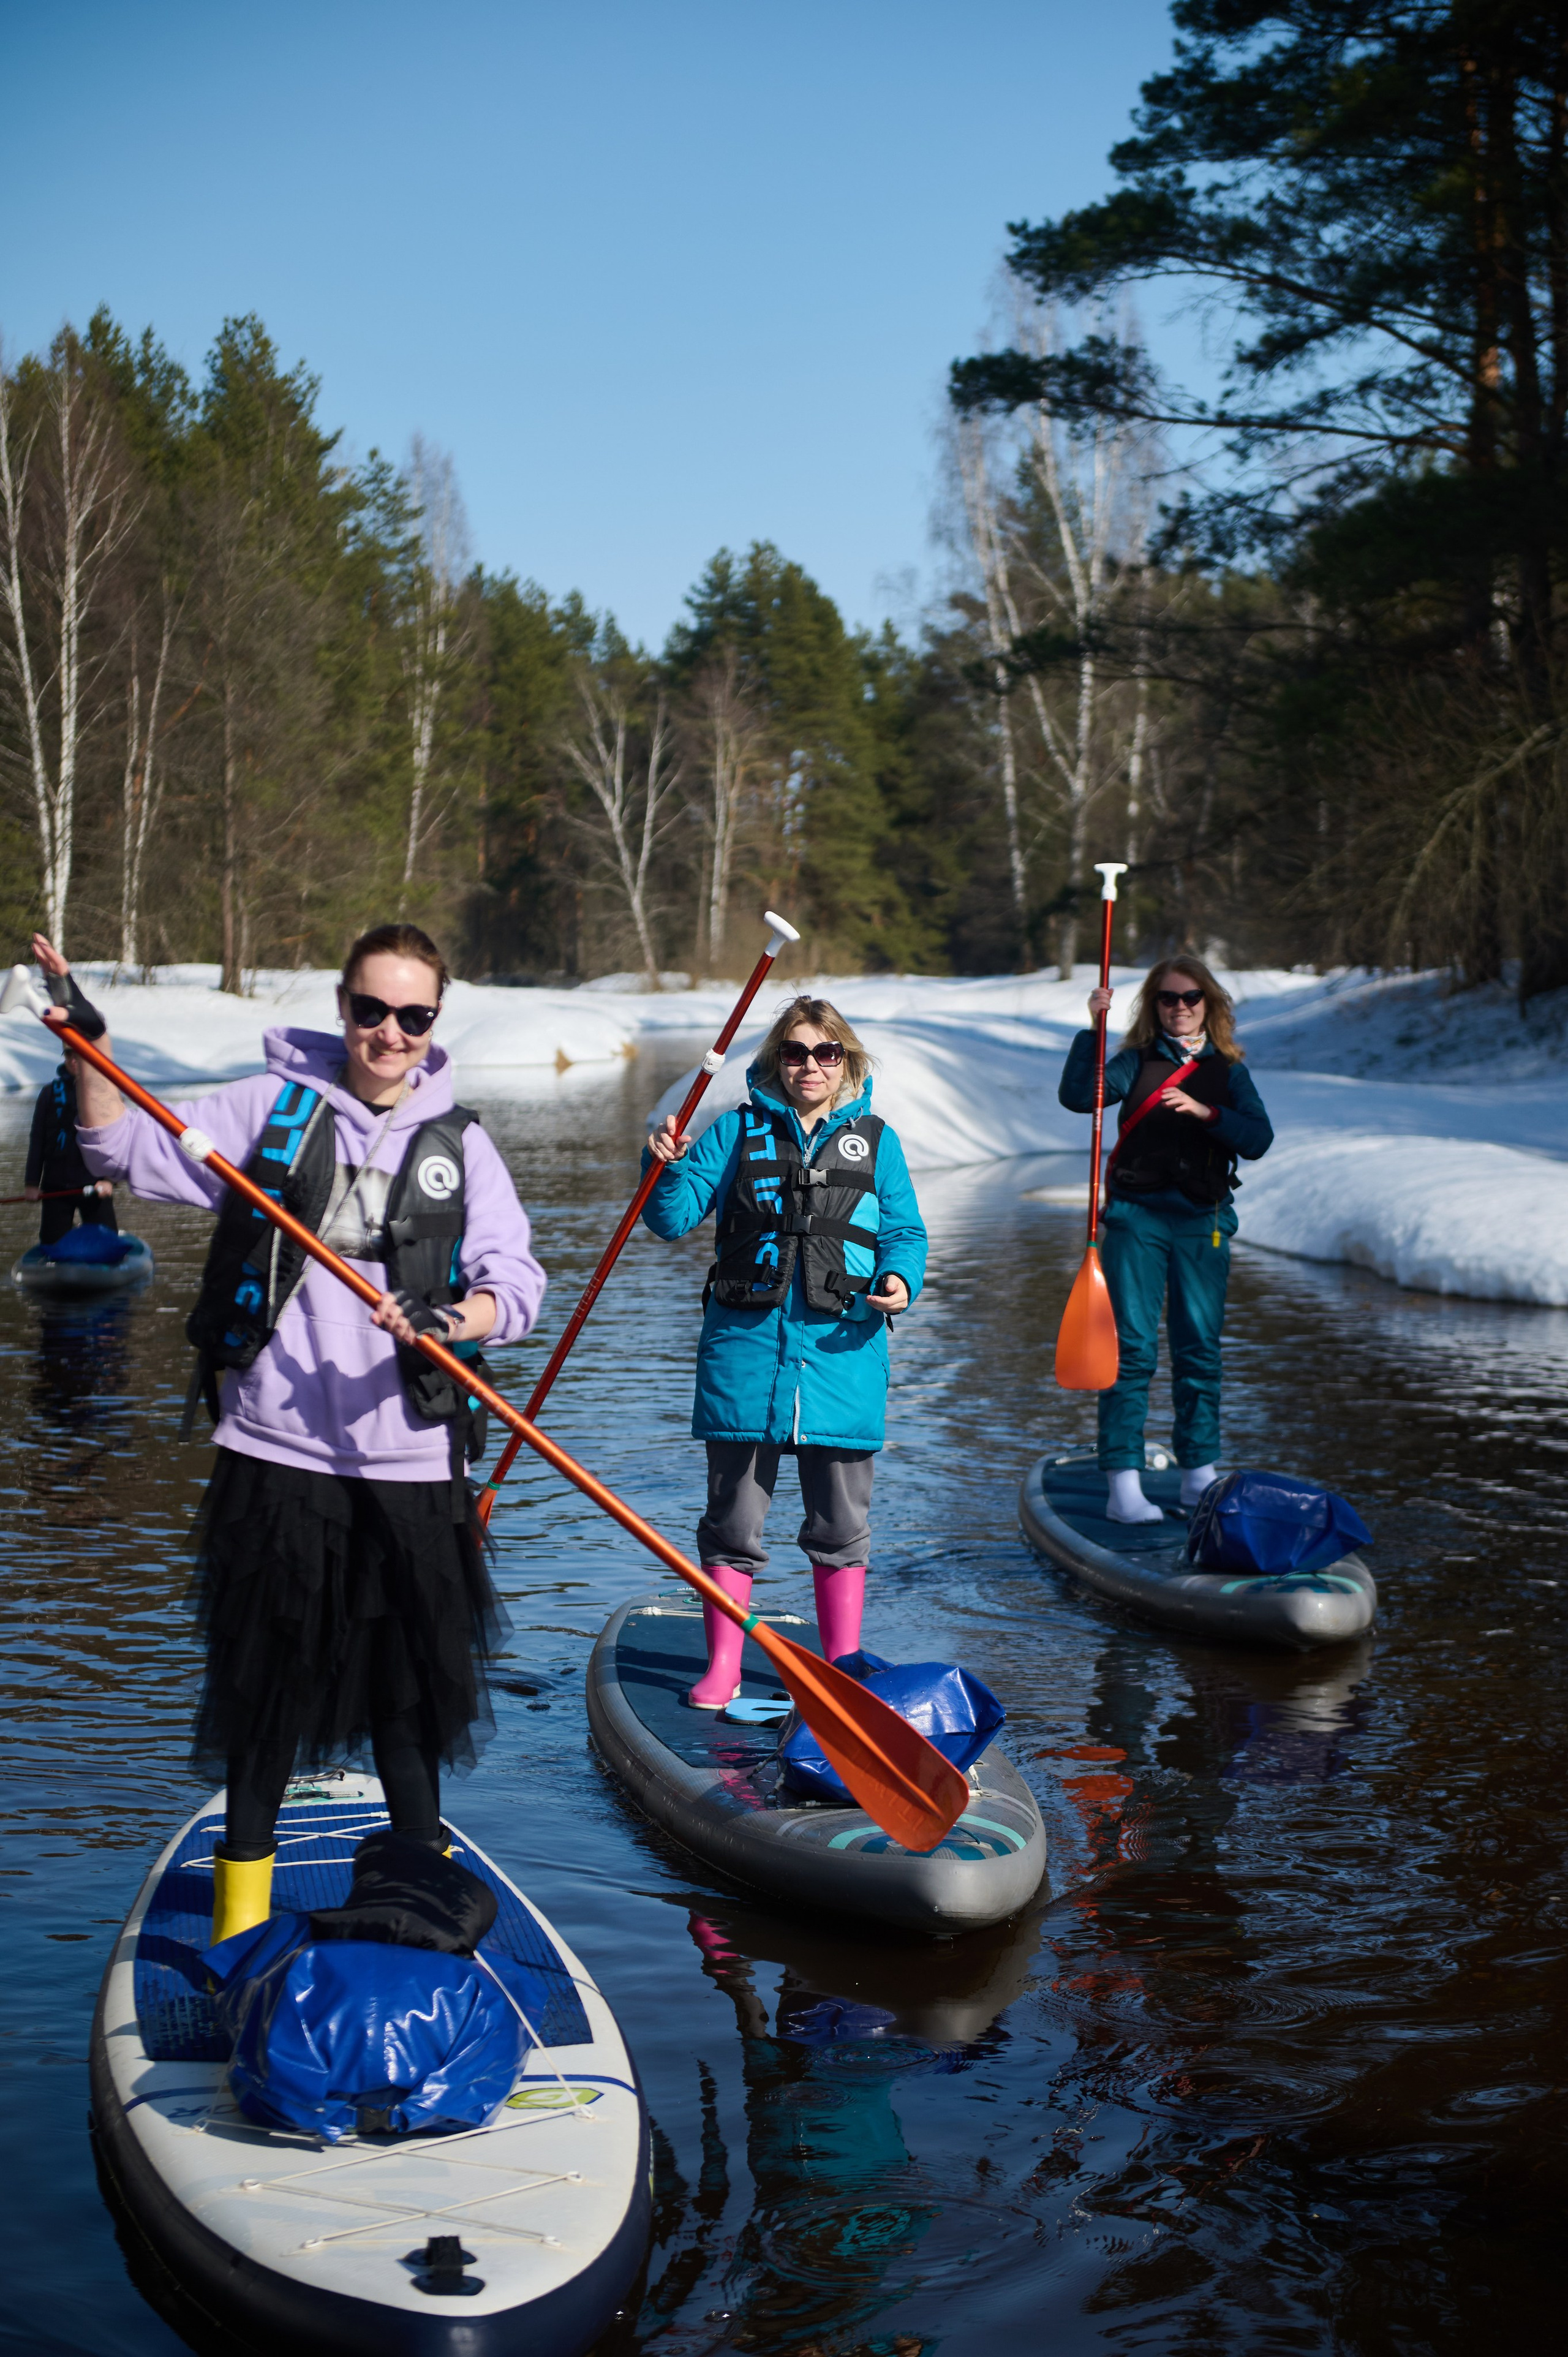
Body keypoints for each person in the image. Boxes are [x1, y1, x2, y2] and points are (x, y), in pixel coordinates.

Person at [30, 922, 546, 1944]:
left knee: (408, 1707)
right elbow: (119, 1146)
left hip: (410, 1460)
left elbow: (516, 1284)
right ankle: (238, 1932)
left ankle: (418, 1917)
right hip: (276, 1455)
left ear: (434, 1023)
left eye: (413, 1016)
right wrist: (85, 1046)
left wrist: (453, 1320)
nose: (388, 1033)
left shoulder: (462, 1142)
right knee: (261, 1703)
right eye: (370, 1009)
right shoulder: (272, 1108)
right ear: (342, 1006)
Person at [641, 995, 927, 1706]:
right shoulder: (733, 1130)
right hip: (745, 1355)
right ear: (775, 1061)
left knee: (840, 1524)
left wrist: (899, 1278)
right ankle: (723, 1667)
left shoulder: (878, 1140)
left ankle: (843, 1664)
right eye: (795, 1052)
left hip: (843, 1355)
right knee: (732, 1523)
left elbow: (906, 1232)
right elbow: (672, 1220)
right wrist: (665, 1167)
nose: (809, 1065)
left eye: (825, 1053)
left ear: (846, 1062)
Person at [1058, 954, 1273, 1525]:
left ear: (1210, 1004)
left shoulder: (1229, 1071)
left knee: (1200, 1349)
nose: (1180, 1007)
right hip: (1137, 1220)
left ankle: (1197, 1475)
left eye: (1191, 997)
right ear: (1154, 1005)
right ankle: (1123, 1484)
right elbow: (1082, 1098)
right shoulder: (1135, 1063)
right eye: (1168, 998)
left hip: (1202, 1224)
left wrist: (1206, 1112)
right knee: (1131, 1352)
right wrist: (1092, 1028)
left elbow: (1257, 1138)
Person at [24, 1052, 117, 1244]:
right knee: (52, 1243)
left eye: (79, 1056)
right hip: (56, 1186)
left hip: (95, 1185)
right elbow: (37, 1139)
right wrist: (32, 1183)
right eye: (69, 1056)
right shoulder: (49, 1093)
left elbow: (116, 1139)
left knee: (107, 1243)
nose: (74, 1061)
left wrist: (109, 1180)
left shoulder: (104, 1093)